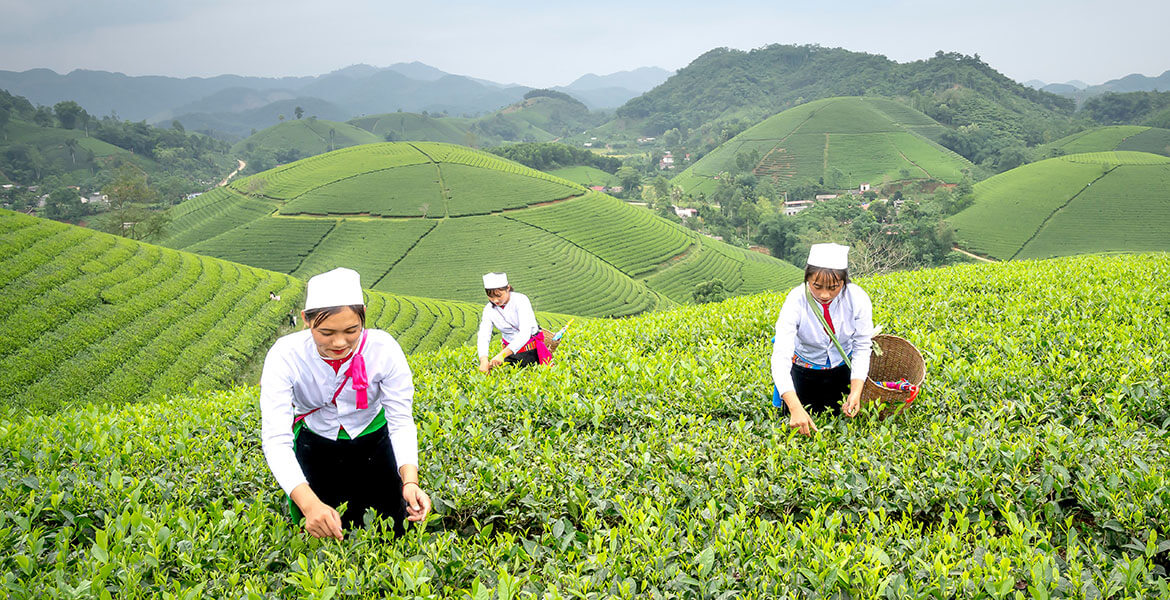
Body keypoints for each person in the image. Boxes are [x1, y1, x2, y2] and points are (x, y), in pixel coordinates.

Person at [260, 267, 431, 539]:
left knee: (392, 527)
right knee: (325, 533)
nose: (340, 342)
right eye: (326, 332)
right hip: (316, 445)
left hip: (374, 442)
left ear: (364, 315)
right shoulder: (285, 356)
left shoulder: (383, 349)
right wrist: (310, 504)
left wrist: (410, 481)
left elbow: (400, 420)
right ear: (306, 320)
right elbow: (276, 438)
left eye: (352, 330)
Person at [771, 243, 875, 436]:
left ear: (844, 281)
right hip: (805, 371)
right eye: (817, 286)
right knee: (800, 425)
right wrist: (794, 407)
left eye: (834, 287)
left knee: (842, 422)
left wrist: (856, 391)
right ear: (807, 279)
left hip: (842, 370)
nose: (825, 295)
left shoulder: (857, 298)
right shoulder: (795, 301)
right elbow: (781, 356)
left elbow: (862, 346)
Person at [476, 272, 551, 372]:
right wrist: (483, 360)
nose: (495, 300)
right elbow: (484, 335)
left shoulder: (520, 300)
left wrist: (502, 355)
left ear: (508, 288)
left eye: (499, 295)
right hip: (508, 352)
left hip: (530, 351)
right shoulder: (488, 309)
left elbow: (525, 333)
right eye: (491, 297)